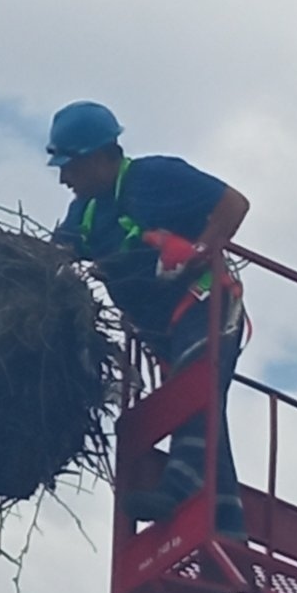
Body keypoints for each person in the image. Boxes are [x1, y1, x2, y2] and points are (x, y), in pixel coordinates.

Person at [48, 101, 249, 539]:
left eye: (70, 166)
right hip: (163, 333)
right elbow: (51, 258)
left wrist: (199, 251)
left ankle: (181, 485)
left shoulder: (153, 177)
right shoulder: (83, 215)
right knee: (201, 402)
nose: (63, 178)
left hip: (205, 301)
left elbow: (234, 204)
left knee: (194, 388)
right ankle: (230, 527)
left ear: (100, 156)